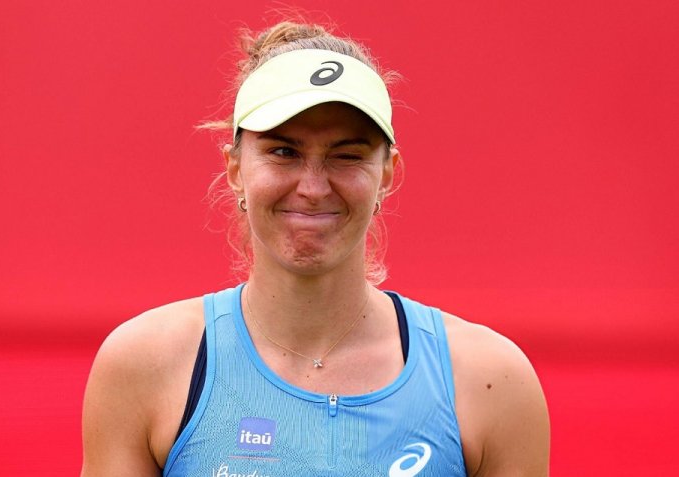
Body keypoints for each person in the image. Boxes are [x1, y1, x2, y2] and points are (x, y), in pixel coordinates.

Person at [81, 21, 550, 477]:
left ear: (388, 173)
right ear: (235, 169)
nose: (313, 187)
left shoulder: (489, 380)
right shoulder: (147, 365)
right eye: (283, 152)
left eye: (347, 155)